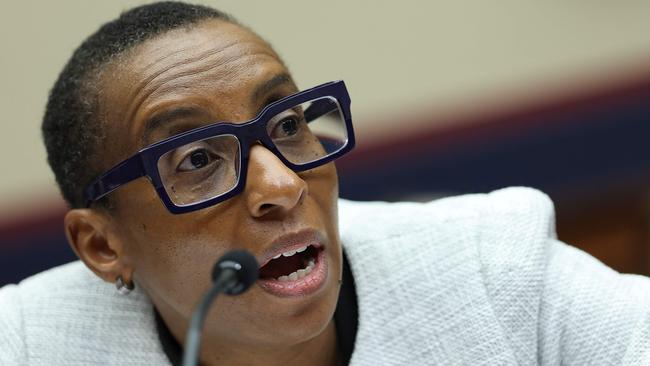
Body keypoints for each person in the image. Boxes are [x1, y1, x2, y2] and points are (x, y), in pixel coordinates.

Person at [1, 2, 648, 365]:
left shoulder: (488, 270)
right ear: (102, 246)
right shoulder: (31, 347)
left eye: (286, 124)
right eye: (197, 160)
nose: (280, 186)